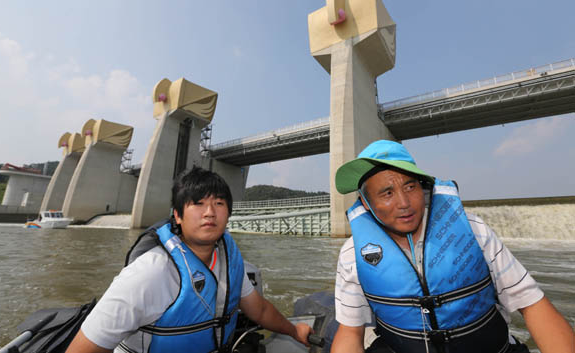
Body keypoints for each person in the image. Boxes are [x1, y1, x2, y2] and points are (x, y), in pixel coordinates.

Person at [330, 140, 575, 353]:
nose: (404, 202)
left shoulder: (472, 230)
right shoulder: (353, 256)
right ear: (366, 203)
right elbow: (350, 334)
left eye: (410, 186)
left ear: (423, 188)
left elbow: (532, 305)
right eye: (387, 192)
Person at [66, 167, 312, 353]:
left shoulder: (229, 261)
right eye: (198, 204)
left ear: (228, 214)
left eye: (219, 203)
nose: (210, 212)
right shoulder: (150, 272)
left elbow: (258, 309)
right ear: (178, 215)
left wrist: (294, 330)